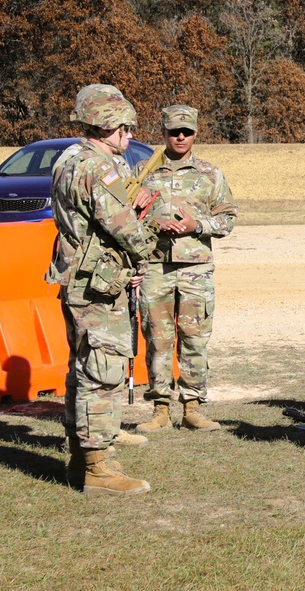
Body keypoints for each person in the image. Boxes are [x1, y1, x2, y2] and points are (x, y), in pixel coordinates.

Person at [46, 84, 162, 496]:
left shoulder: (67, 160)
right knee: (103, 373)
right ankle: (99, 468)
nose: (129, 138)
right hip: (98, 286)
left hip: (78, 278)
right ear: (108, 125)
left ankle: (82, 459)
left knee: (82, 370)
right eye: (125, 130)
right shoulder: (98, 167)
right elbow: (121, 223)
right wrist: (146, 249)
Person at [133, 105, 238, 433]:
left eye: (187, 132)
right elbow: (122, 216)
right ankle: (160, 410)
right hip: (155, 266)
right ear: (163, 132)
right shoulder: (142, 172)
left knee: (194, 338)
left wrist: (198, 225)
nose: (180, 137)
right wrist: (150, 220)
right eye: (174, 131)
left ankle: (192, 407)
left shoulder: (210, 174)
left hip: (195, 269)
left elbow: (228, 218)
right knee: (157, 339)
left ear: (195, 133)